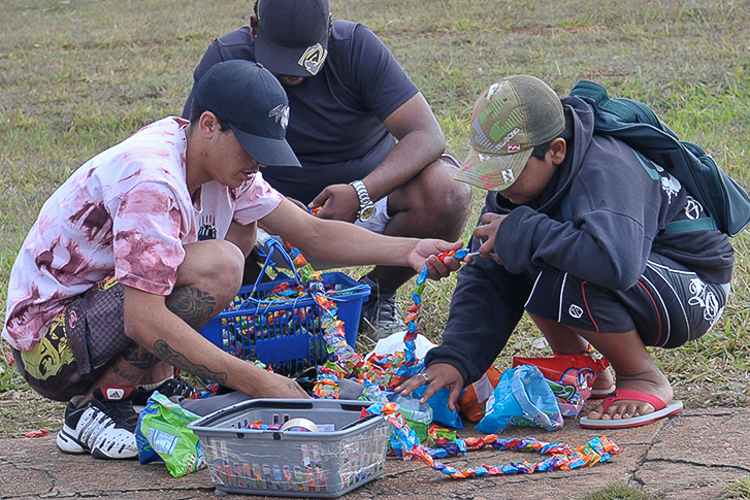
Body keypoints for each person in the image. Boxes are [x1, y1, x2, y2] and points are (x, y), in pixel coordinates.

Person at [2, 60, 464, 460]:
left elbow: (313, 234)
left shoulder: (220, 165)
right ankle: (96, 407)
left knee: (238, 236)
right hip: (49, 347)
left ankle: (147, 389)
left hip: (93, 318)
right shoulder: (153, 181)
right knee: (220, 263)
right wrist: (260, 382)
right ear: (208, 125)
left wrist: (408, 248)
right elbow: (143, 318)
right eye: (251, 147)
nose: (258, 164)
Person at [396, 75, 734, 429]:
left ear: (556, 150)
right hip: (641, 275)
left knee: (539, 248)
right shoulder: (514, 189)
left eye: (509, 172)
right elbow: (487, 274)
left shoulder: (606, 167)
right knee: (516, 247)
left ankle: (642, 376)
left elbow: (616, 264)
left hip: (691, 287)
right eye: (492, 172)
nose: (500, 185)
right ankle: (583, 367)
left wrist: (523, 233)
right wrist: (456, 360)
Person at [182, 0, 472, 340]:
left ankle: (377, 295)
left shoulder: (357, 47)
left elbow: (427, 134)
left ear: (329, 29)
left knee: (448, 190)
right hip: (262, 209)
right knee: (223, 213)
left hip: (360, 201)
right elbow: (196, 155)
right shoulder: (226, 60)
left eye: (306, 56)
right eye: (279, 57)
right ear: (254, 27)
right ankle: (258, 305)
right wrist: (266, 201)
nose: (293, 73)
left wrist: (361, 191)